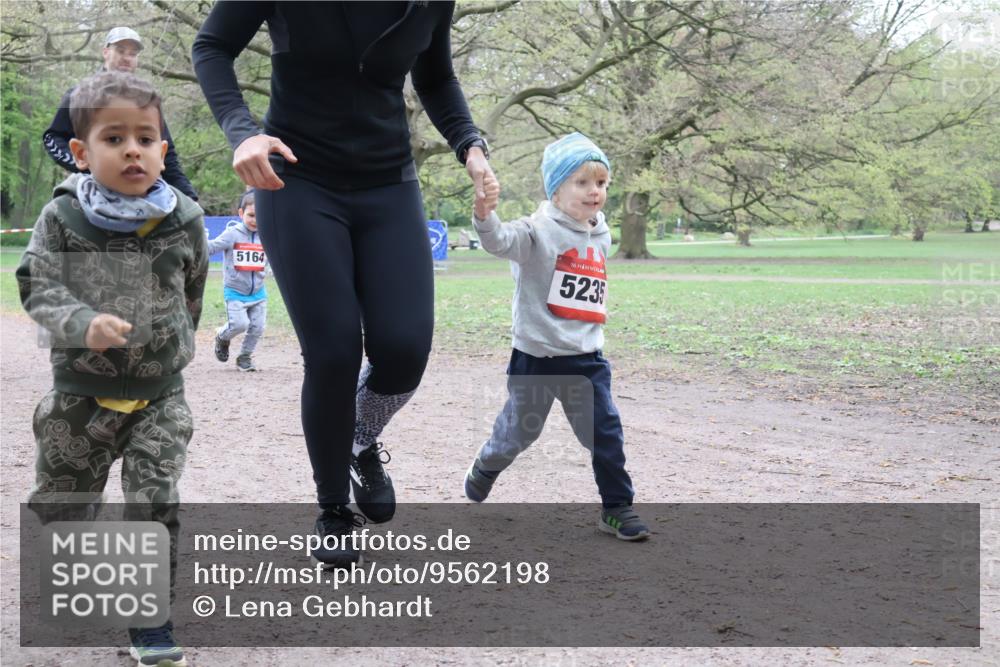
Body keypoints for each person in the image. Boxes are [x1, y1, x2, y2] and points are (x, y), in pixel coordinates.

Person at [192, 1, 497, 567]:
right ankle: (333, 508)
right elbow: (211, 47)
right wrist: (242, 133)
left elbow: (436, 75)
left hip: (388, 182)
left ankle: (360, 438)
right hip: (296, 180)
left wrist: (470, 147)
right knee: (332, 350)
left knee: (404, 349)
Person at [16, 70, 208, 666]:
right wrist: (81, 324)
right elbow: (36, 283)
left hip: (160, 398)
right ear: (80, 151)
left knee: (153, 503)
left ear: (162, 149)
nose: (133, 150)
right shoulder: (62, 219)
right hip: (79, 398)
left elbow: (193, 292)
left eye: (146, 139)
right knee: (63, 505)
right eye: (115, 138)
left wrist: (169, 348)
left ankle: (149, 620)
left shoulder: (186, 219)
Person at [464, 132, 650, 541]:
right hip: (537, 357)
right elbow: (499, 241)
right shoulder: (535, 231)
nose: (594, 192)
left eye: (600, 183)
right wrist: (484, 214)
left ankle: (617, 507)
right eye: (581, 183)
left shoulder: (600, 232)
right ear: (556, 188)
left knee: (604, 434)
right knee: (519, 433)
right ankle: (487, 463)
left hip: (586, 358)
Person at [42, 27, 199, 201]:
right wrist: (89, 166)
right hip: (90, 196)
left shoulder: (146, 99)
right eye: (121, 50)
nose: (126, 58)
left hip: (141, 198)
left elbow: (166, 154)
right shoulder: (78, 95)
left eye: (132, 53)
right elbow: (52, 137)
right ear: (106, 52)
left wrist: (189, 198)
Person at [207, 189, 268, 372]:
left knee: (257, 327)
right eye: (251, 215)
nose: (255, 220)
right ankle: (222, 337)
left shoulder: (267, 234)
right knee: (240, 324)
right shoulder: (232, 234)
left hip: (258, 292)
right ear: (241, 213)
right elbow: (211, 248)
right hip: (235, 291)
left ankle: (244, 357)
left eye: (260, 216)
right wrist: (200, 237)